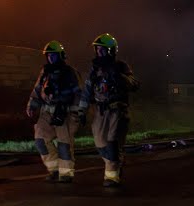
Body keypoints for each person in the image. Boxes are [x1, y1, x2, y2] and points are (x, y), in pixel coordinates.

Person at [26, 41, 87, 183]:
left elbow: (79, 93)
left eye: (53, 55)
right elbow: (37, 90)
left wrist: (78, 112)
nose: (50, 58)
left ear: (61, 55)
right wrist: (32, 106)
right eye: (48, 55)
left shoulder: (70, 72)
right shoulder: (45, 72)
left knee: (64, 144)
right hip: (47, 112)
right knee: (40, 140)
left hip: (65, 113)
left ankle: (66, 173)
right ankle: (54, 169)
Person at [85, 33, 139, 188]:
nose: (99, 52)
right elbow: (87, 91)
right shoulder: (95, 70)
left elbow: (134, 84)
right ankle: (116, 161)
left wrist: (119, 76)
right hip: (100, 112)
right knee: (100, 144)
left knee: (112, 142)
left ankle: (112, 177)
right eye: (97, 49)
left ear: (111, 50)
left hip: (117, 111)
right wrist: (81, 110)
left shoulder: (121, 66)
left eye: (102, 49)